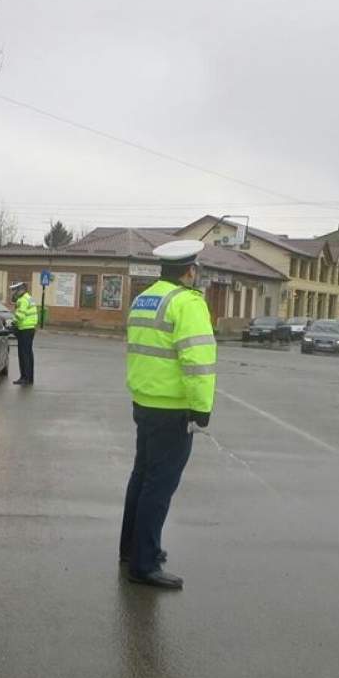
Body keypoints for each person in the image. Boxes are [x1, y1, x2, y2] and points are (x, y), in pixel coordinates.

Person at [120, 240, 216, 590]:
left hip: (143, 402)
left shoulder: (144, 298)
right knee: (159, 487)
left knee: (142, 478)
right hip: (172, 409)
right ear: (190, 271)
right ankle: (144, 564)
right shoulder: (188, 303)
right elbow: (198, 362)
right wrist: (202, 408)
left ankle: (131, 549)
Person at [10, 281, 39, 385]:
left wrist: (11, 323)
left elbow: (20, 315)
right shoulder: (29, 298)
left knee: (23, 355)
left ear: (20, 290)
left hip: (24, 330)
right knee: (28, 354)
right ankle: (29, 377)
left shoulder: (23, 300)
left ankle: (24, 378)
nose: (14, 293)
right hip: (30, 329)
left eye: (15, 290)